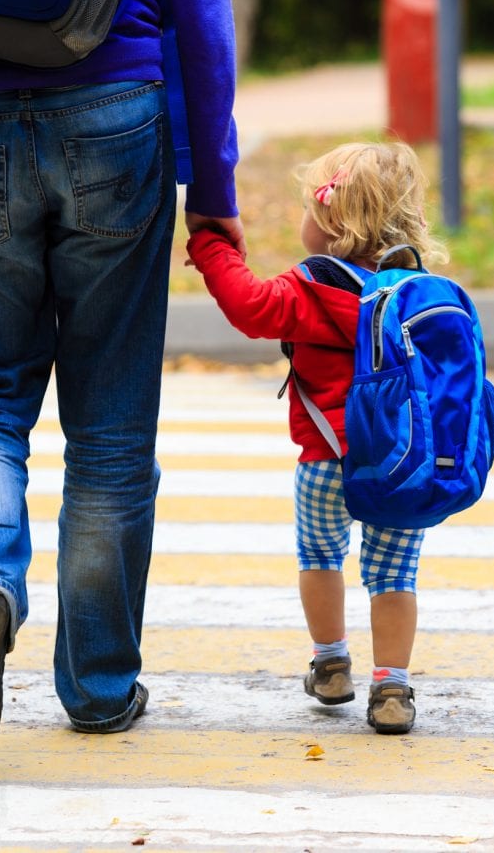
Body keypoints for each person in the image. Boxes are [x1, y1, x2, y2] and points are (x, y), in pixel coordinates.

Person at [0, 0, 243, 751]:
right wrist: (213, 186)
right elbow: (202, 18)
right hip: (116, 110)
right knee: (111, 424)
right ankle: (98, 687)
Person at [185, 141, 445, 735]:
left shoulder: (315, 287)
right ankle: (392, 686)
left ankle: (330, 661)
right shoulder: (417, 294)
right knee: (395, 576)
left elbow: (250, 307)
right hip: (402, 466)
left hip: (326, 461)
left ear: (330, 221)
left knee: (320, 557)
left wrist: (210, 245)